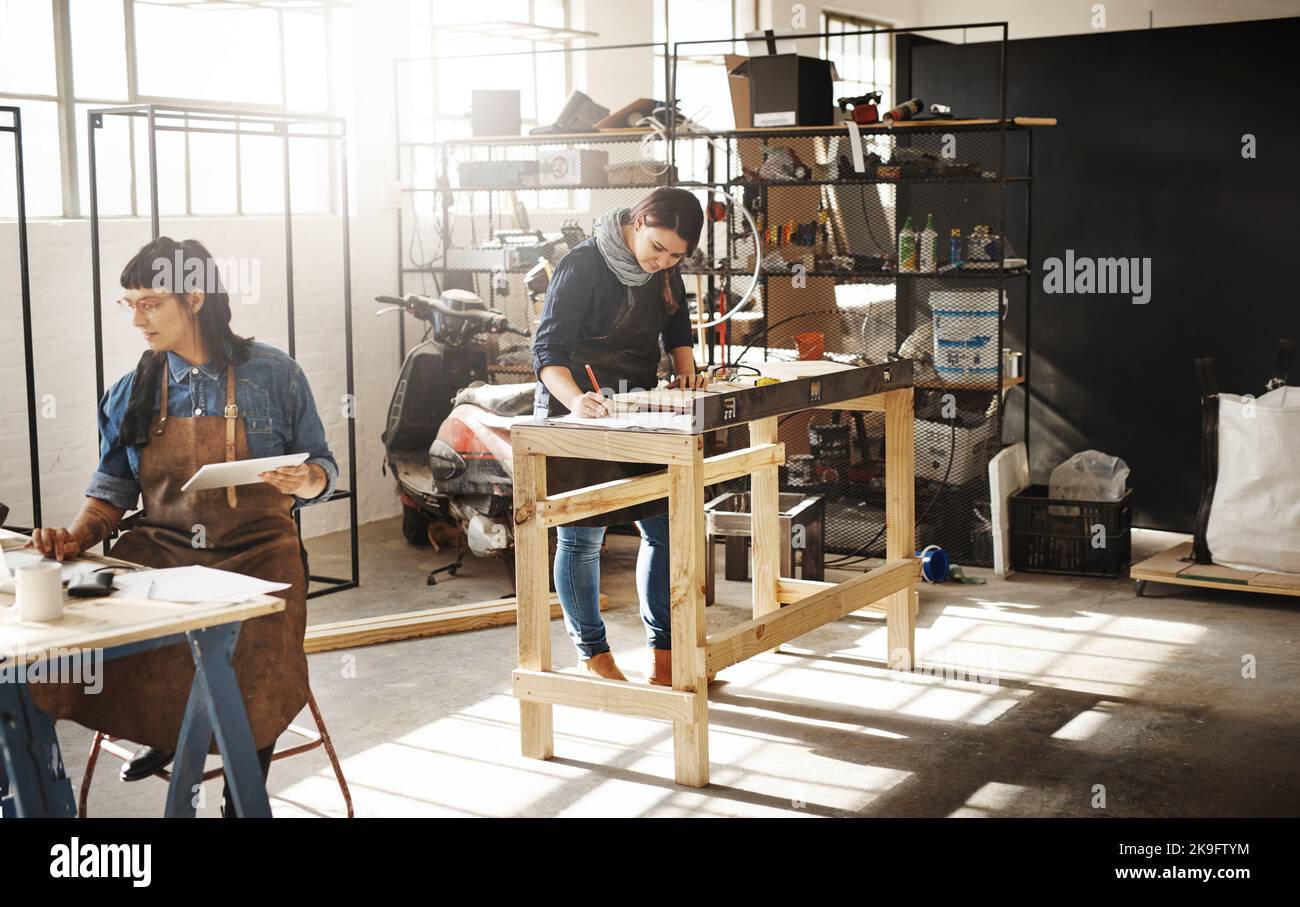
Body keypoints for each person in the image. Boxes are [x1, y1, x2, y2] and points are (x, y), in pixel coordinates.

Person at [29, 236, 337, 816]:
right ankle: (174, 731)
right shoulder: (131, 391)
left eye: (150, 302)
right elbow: (111, 495)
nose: (138, 318)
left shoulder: (273, 374)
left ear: (194, 297)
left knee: (256, 642)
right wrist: (73, 536)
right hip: (164, 547)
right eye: (130, 304)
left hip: (259, 549)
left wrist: (306, 481)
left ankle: (240, 795)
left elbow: (322, 465)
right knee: (80, 629)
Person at [532, 186, 709, 686]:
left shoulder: (665, 266)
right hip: (577, 406)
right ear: (637, 221)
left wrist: (686, 372)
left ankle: (667, 655)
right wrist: (577, 402)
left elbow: (676, 324)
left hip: (635, 403)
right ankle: (593, 653)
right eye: (657, 248)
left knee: (664, 524)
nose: (663, 262)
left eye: (675, 255)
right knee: (583, 534)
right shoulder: (582, 266)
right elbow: (547, 353)